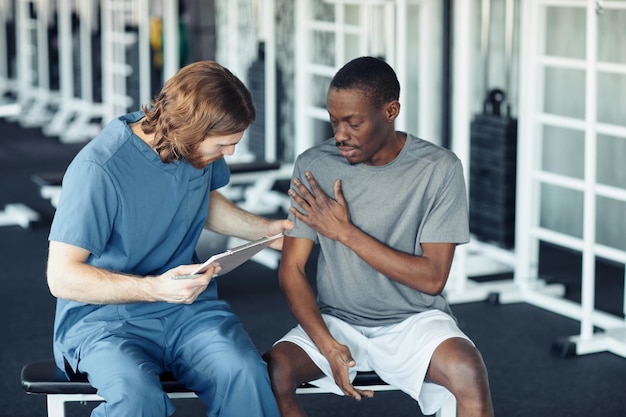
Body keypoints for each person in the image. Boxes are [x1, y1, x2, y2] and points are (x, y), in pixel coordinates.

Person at [46, 60, 291, 417]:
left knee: (246, 375)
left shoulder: (192, 151)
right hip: (105, 321)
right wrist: (155, 289)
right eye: (223, 144)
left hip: (187, 312)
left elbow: (200, 197)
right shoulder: (98, 169)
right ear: (187, 128)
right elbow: (62, 276)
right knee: (136, 400)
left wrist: (264, 230)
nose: (230, 153)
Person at [263, 56, 494, 417]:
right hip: (337, 320)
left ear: (391, 111)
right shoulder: (314, 165)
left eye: (353, 122)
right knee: (275, 371)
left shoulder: (439, 169)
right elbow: (291, 269)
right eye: (334, 121)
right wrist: (327, 345)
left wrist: (344, 232)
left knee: (468, 371)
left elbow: (433, 279)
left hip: (414, 321)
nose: (340, 135)